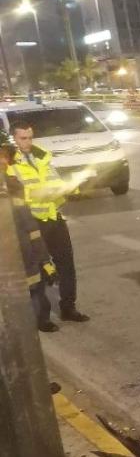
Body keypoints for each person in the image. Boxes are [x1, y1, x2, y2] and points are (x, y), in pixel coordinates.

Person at [5, 119, 89, 325]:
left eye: (30, 137)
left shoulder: (42, 156)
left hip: (53, 216)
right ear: (13, 138)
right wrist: (40, 193)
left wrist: (73, 187)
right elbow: (15, 195)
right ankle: (42, 317)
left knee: (66, 264)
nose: (28, 142)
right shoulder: (9, 163)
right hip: (32, 222)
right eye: (23, 138)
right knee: (40, 269)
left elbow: (56, 182)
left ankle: (68, 307)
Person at [0, 130, 57, 332]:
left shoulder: (14, 186)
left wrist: (45, 260)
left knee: (36, 289)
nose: (3, 161)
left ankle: (41, 320)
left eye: (5, 156)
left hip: (24, 254)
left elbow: (30, 227)